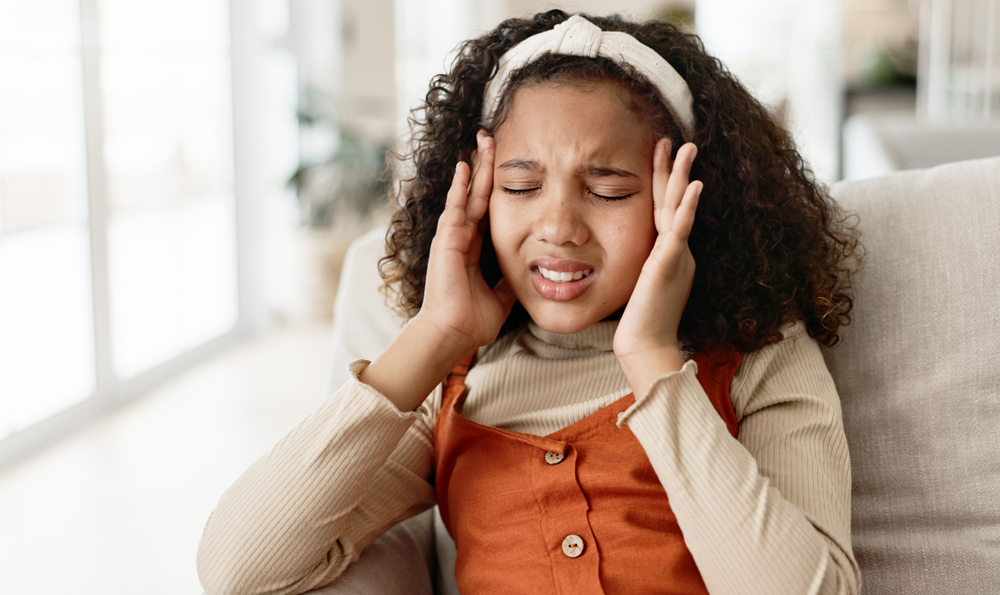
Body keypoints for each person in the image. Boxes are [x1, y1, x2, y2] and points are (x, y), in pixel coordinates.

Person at [198, 11, 862, 595]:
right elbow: (238, 567)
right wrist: (435, 332)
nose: (559, 226)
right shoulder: (454, 388)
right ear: (478, 198)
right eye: (521, 186)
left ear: (684, 198)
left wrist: (653, 359)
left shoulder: (761, 358)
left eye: (607, 190)